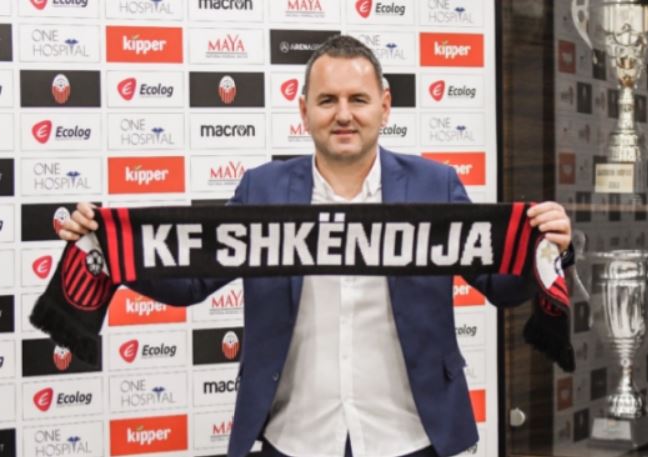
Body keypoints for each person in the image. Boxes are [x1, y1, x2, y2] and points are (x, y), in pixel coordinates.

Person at [58, 35, 573, 457]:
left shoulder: (435, 185)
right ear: (304, 111)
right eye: (327, 101)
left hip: (412, 437)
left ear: (384, 107)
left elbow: (499, 285)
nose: (343, 114)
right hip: (295, 438)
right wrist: (109, 246)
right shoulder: (261, 190)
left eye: (358, 100)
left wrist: (546, 249)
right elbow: (191, 278)